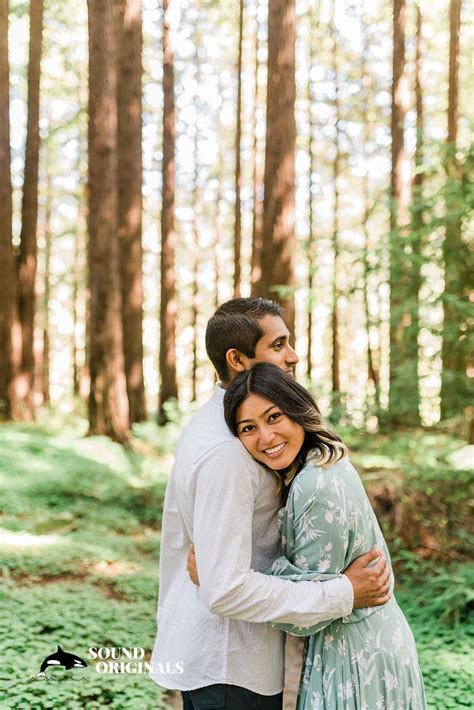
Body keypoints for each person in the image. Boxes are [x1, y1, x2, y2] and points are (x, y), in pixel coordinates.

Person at [150, 298, 391, 710]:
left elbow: (223, 563)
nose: (293, 356)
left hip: (224, 657)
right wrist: (344, 592)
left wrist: (213, 566)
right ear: (237, 360)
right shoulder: (227, 452)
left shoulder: (213, 424)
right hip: (230, 664)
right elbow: (225, 590)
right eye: (278, 345)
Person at [216, 361, 426, 709]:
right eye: (248, 427)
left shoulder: (314, 484)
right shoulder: (323, 461)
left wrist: (223, 571)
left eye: (273, 417)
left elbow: (310, 609)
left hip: (356, 659)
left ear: (297, 410)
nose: (265, 437)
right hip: (373, 645)